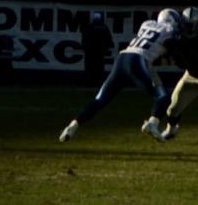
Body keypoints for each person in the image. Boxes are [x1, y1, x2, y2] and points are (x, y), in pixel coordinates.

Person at [59, 7, 181, 142]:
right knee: (163, 97)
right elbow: (172, 49)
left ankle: (72, 126)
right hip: (139, 60)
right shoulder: (171, 31)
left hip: (122, 58)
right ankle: (152, 123)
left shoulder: (146, 24)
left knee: (100, 100)